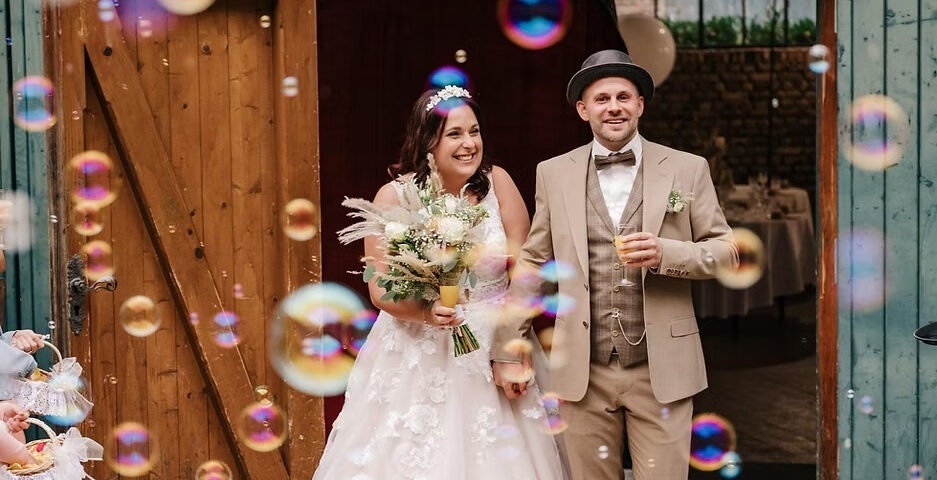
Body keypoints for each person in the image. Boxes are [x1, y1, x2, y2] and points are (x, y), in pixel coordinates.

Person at [491, 50, 738, 480]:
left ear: (640, 104)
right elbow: (533, 261)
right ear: (584, 110)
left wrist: (668, 252)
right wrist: (506, 346)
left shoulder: (687, 168)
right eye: (602, 98)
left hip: (662, 368)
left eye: (624, 96)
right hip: (582, 370)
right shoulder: (552, 172)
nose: (614, 107)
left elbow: (727, 251)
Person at [313, 87, 568, 479]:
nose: (469, 144)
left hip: (493, 349)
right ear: (427, 139)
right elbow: (380, 289)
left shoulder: (497, 183)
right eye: (455, 134)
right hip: (416, 351)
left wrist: (512, 348)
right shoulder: (394, 196)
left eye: (475, 131)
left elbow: (528, 271)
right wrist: (429, 312)